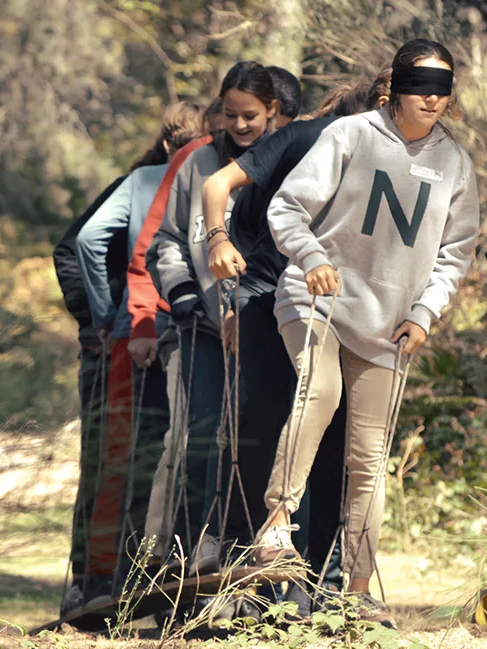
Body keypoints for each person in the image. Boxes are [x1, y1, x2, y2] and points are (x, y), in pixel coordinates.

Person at [254, 39, 479, 627]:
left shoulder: (455, 162)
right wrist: (309, 257)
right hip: (318, 298)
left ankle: (357, 585)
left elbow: (455, 254)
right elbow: (287, 210)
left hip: (389, 325)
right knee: (320, 390)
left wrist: (425, 312)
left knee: (369, 457)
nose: (431, 98)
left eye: (442, 89)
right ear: (395, 87)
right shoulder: (349, 135)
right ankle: (277, 523)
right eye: (420, 86)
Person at [197, 73, 392, 616]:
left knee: (325, 442)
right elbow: (217, 187)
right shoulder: (309, 136)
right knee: (266, 430)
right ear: (380, 105)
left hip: (340, 309)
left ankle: (316, 589)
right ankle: (245, 585)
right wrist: (218, 245)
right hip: (270, 296)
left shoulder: (398, 160)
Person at [147, 62, 288, 575]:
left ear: (272, 112)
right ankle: (189, 553)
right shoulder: (198, 163)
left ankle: (243, 552)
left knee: (252, 441)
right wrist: (182, 293)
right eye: (230, 115)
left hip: (262, 331)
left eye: (250, 115)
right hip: (202, 328)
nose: (240, 125)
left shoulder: (286, 162)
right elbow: (165, 242)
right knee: (200, 436)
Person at [72, 102, 206, 607]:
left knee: (125, 458)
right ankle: (175, 574)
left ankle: (106, 580)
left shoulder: (143, 178)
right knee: (193, 453)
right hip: (197, 324)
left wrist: (108, 316)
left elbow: (87, 240)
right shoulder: (223, 169)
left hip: (139, 332)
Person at [126, 100, 224, 561]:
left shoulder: (277, 156)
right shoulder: (192, 161)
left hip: (249, 322)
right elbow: (152, 245)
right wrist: (146, 317)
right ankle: (159, 553)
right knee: (185, 439)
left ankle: (212, 548)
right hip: (185, 319)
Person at [53, 176, 129, 617]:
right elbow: (70, 249)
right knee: (100, 459)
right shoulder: (133, 186)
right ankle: (85, 581)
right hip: (106, 344)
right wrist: (94, 318)